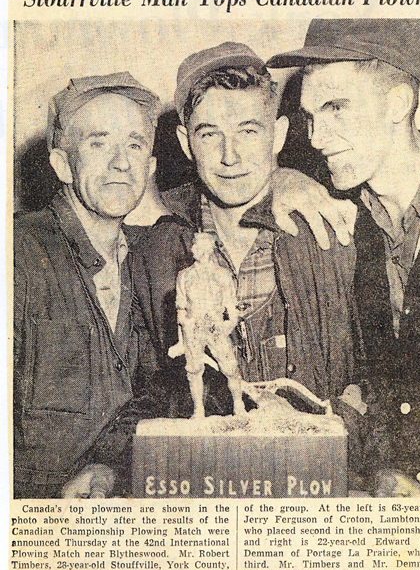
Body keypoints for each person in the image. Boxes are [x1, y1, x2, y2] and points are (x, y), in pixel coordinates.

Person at [268, 19, 420, 497]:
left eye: (337, 108)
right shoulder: (345, 211)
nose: (316, 136)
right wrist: (277, 177)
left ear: (398, 103)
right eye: (310, 116)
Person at [133, 42, 359, 419]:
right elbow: (147, 399)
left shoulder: (333, 230)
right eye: (209, 134)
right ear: (185, 144)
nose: (230, 155)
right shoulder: (152, 256)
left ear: (280, 134)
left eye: (249, 131)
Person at [14, 72, 160, 498]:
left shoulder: (150, 260)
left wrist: (108, 468)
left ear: (150, 166)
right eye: (98, 142)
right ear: (62, 165)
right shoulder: (18, 256)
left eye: (134, 144)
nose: (121, 162)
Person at [172, 232, 245, 418]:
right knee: (194, 370)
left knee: (230, 368)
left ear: (208, 249)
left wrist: (231, 323)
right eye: (194, 245)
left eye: (197, 246)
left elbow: (231, 304)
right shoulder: (184, 275)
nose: (193, 249)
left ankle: (239, 405)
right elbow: (180, 307)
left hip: (216, 327)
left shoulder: (222, 275)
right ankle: (198, 410)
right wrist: (182, 335)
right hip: (193, 329)